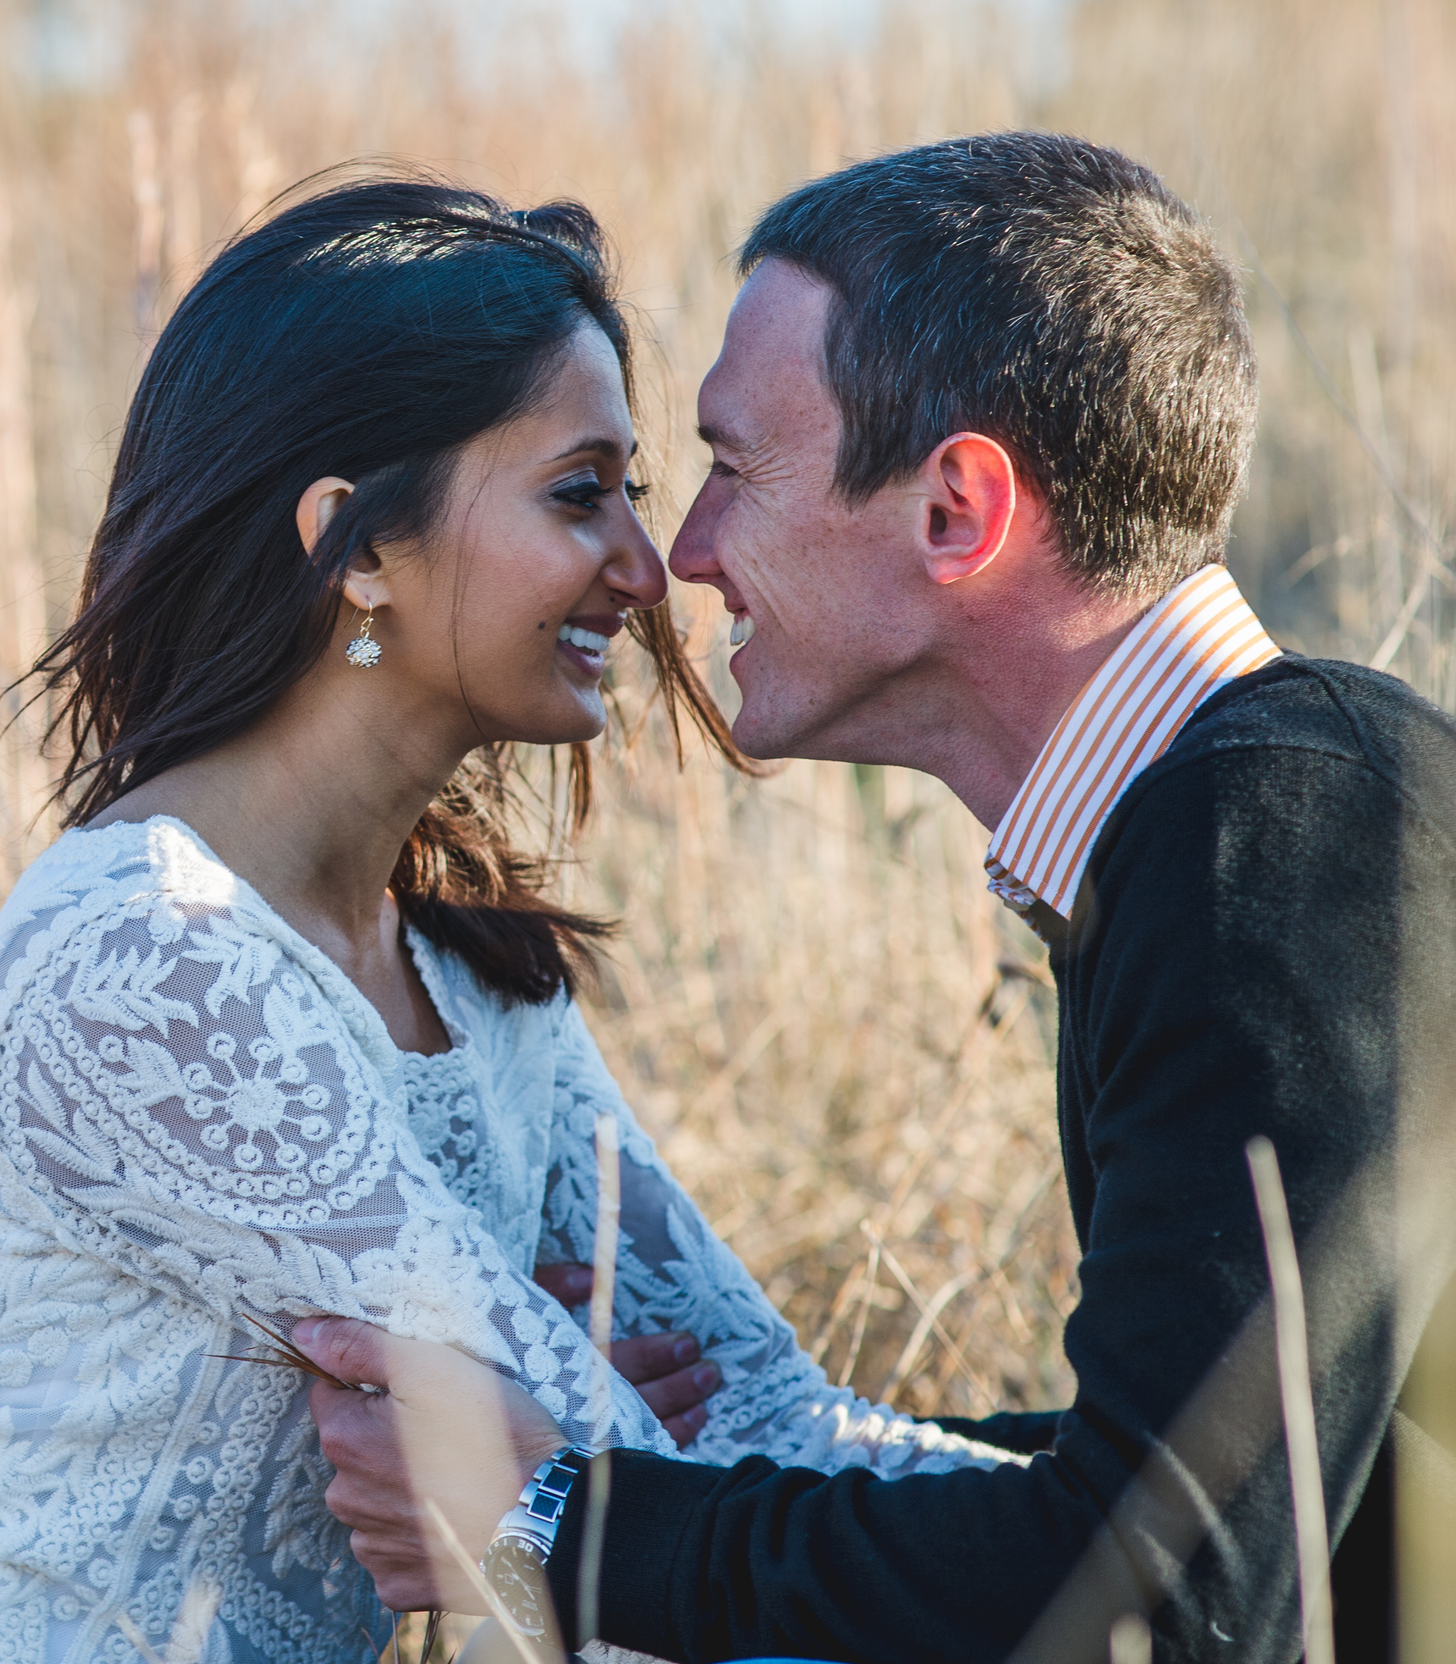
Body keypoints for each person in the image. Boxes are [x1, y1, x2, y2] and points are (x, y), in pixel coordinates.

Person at [0, 177, 1034, 1664]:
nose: (644, 568)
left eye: (634, 496)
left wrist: (1165, 1550)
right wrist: (572, 1448)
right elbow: (594, 1520)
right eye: (576, 493)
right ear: (353, 547)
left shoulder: (471, 973)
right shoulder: (147, 962)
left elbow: (754, 1421)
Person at [298, 134, 1456, 1664]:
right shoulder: (1263, 805)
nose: (681, 558)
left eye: (731, 465)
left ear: (956, 514)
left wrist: (560, 1528)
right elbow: (1248, 1481)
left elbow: (1181, 1594)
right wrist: (710, 1470)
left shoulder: (1269, 847)